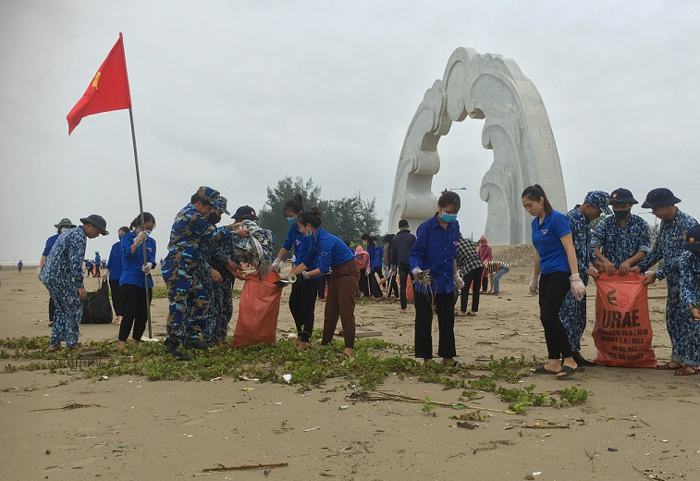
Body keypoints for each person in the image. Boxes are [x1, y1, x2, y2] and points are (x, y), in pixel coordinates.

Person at [162, 186, 240, 360]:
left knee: (201, 298)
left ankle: (192, 337)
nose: (210, 211)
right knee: (179, 306)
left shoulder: (194, 215)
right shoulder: (192, 215)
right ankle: (172, 345)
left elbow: (207, 232)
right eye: (209, 207)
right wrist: (235, 233)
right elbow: (213, 234)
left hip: (189, 266)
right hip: (177, 266)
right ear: (199, 203)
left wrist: (230, 227)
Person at [633, 188, 699, 375]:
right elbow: (658, 251)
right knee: (673, 320)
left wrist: (658, 273)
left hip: (692, 281)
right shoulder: (665, 225)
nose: (653, 213)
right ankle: (678, 358)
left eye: (654, 209)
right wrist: (641, 267)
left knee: (690, 321)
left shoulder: (688, 224)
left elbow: (684, 257)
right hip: (673, 282)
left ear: (667, 205)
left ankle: (692, 361)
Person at [522, 184, 585, 379]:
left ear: (541, 200)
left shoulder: (557, 219)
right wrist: (534, 277)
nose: (528, 209)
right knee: (544, 316)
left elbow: (570, 249)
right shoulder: (535, 223)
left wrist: (575, 278)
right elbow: (538, 252)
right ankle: (553, 361)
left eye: (530, 204)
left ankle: (569, 358)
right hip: (547, 273)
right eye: (524, 206)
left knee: (550, 315)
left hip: (561, 271)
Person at [287, 207, 359, 357]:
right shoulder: (315, 239)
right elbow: (307, 261)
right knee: (331, 310)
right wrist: (291, 275)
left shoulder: (325, 240)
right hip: (337, 273)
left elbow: (324, 268)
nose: (299, 230)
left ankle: (349, 348)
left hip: (348, 272)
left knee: (346, 310)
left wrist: (305, 275)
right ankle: (326, 343)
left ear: (308, 226)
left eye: (300, 227)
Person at [410, 190, 465, 367]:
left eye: (454, 212)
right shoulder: (426, 228)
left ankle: (448, 357)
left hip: (447, 283)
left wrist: (456, 276)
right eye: (448, 211)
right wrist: (416, 269)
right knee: (424, 320)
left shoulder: (455, 227)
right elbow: (416, 252)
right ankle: (427, 359)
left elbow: (453, 254)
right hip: (426, 283)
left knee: (447, 321)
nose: (451, 215)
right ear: (439, 208)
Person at [40, 215, 109, 352]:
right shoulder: (79, 236)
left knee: (60, 309)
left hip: (49, 276)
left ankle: (54, 343)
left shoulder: (70, 233)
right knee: (74, 308)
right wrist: (80, 286)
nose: (97, 235)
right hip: (60, 277)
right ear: (88, 226)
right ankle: (72, 344)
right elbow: (75, 262)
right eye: (97, 231)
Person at [558, 190, 610, 367]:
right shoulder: (568, 220)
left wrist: (595, 262)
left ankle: (574, 351)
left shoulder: (586, 223)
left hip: (581, 279)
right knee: (568, 317)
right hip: (568, 278)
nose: (599, 214)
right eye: (598, 210)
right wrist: (584, 269)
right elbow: (566, 250)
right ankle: (565, 355)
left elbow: (585, 249)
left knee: (579, 317)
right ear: (587, 206)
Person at [270, 195, 320, 349]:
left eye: (291, 217)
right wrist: (277, 260)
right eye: (288, 217)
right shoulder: (294, 229)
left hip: (310, 273)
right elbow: (287, 244)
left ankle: (305, 339)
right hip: (298, 270)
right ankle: (300, 333)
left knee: (306, 306)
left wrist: (290, 274)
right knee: (294, 304)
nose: (290, 220)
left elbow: (306, 258)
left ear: (300, 213)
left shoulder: (309, 231)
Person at [201, 197, 246, 346]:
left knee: (226, 308)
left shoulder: (220, 229)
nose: (219, 215)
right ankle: (210, 339)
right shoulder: (203, 226)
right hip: (213, 274)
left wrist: (234, 268)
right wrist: (226, 263)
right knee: (214, 309)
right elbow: (212, 250)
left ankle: (221, 337)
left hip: (225, 276)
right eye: (219, 211)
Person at [118, 213, 157, 349]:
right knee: (129, 312)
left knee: (143, 314)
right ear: (138, 225)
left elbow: (152, 259)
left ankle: (136, 341)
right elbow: (128, 254)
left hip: (145, 281)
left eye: (151, 228)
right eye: (146, 227)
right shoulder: (126, 237)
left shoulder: (151, 242)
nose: (148, 231)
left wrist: (150, 265)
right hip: (130, 280)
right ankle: (122, 342)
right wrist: (137, 241)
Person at [591, 188, 651, 275]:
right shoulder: (604, 224)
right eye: (615, 207)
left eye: (623, 206)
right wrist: (604, 261)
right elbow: (593, 246)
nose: (619, 209)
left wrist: (629, 262)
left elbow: (644, 249)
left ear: (631, 205)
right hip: (610, 274)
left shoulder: (641, 224)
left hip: (633, 274)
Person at [38, 218, 77, 328]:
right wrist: (40, 268)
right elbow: (45, 254)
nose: (67, 229)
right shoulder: (52, 239)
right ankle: (53, 319)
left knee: (66, 295)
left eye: (69, 227)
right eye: (65, 226)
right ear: (60, 228)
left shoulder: (72, 240)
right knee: (54, 295)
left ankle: (65, 318)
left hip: (66, 272)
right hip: (52, 272)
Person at [679, 225, 700, 373]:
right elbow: (686, 285)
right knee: (694, 328)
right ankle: (692, 363)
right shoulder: (687, 258)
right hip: (696, 298)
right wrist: (693, 306)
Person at [103, 226, 130, 326]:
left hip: (127, 277)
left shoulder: (132, 246)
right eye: (119, 234)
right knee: (116, 298)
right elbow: (110, 262)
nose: (120, 236)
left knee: (126, 298)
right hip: (114, 276)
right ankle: (119, 315)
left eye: (122, 234)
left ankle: (126, 316)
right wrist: (106, 273)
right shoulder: (115, 246)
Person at [390, 219, 416, 314]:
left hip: (401, 264)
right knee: (415, 284)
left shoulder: (395, 239)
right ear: (408, 226)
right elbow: (416, 251)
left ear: (399, 227)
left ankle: (403, 308)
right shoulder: (412, 237)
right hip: (412, 264)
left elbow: (393, 254)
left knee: (403, 286)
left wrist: (392, 267)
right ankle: (417, 305)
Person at [455, 236, 483, 317]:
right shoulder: (469, 241)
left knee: (465, 289)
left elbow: (456, 260)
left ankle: (463, 311)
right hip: (479, 264)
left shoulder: (454, 244)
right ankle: (473, 310)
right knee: (476, 289)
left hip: (469, 266)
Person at [361, 234, 382, 298]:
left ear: (366, 240)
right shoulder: (371, 246)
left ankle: (374, 293)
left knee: (371, 281)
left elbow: (370, 257)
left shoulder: (370, 247)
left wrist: (369, 266)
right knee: (372, 280)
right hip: (371, 265)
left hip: (370, 265)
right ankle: (377, 293)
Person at [382, 234, 399, 298]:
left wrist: (391, 267)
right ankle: (396, 294)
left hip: (392, 265)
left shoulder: (392, 247)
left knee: (391, 279)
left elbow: (391, 257)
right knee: (392, 280)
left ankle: (388, 294)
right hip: (391, 265)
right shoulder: (391, 247)